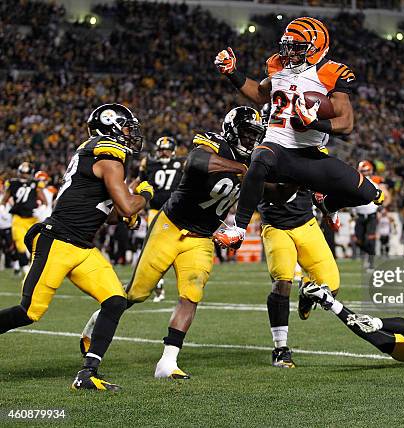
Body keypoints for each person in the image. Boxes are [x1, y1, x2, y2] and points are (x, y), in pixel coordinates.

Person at [81, 107, 264, 379]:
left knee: (191, 295)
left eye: (256, 134)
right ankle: (96, 321)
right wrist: (243, 168)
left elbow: (262, 189)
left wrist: (238, 229)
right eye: (248, 133)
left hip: (202, 236)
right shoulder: (215, 143)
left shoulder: (258, 159)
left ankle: (167, 362)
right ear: (234, 129)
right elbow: (196, 162)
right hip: (171, 225)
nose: (251, 139)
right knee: (136, 293)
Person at [0, 103, 151, 391]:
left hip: (81, 246)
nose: (132, 134)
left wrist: (126, 213)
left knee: (115, 300)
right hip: (57, 241)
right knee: (29, 311)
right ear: (113, 127)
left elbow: (108, 213)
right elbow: (128, 204)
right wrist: (144, 194)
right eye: (128, 128)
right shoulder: (109, 157)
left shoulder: (99, 154)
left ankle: (87, 373)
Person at [213, 17, 383, 249]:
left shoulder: (331, 72)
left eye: (298, 47)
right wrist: (233, 73)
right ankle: (238, 230)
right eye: (288, 45)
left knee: (371, 194)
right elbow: (260, 94)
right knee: (260, 157)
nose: (290, 52)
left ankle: (330, 205)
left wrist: (315, 123)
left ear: (316, 47)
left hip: (310, 154)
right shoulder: (278, 65)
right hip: (278, 148)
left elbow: (346, 123)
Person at [259, 188, 339, 368]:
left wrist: (330, 210)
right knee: (282, 282)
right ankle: (280, 349)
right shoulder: (261, 159)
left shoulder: (308, 159)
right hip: (275, 225)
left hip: (306, 223)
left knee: (331, 288)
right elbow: (249, 186)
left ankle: (306, 292)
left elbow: (320, 185)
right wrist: (240, 225)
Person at [137, 136, 184, 302]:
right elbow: (140, 183)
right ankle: (158, 286)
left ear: (173, 150)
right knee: (153, 249)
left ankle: (184, 287)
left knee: (180, 249)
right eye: (162, 149)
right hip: (155, 211)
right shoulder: (149, 164)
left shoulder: (182, 163)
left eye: (167, 149)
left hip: (177, 212)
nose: (164, 152)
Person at [0, 162, 46, 275]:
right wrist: (3, 210)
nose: (25, 175)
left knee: (34, 245)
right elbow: (4, 200)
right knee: (20, 244)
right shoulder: (12, 183)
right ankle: (25, 269)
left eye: (27, 173)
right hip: (18, 218)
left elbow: (44, 201)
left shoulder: (35, 184)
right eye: (23, 173)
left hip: (32, 219)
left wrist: (40, 211)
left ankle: (31, 267)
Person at [352, 161, 382, 269]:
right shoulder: (354, 183)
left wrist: (380, 209)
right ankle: (370, 254)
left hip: (371, 215)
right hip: (360, 215)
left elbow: (382, 198)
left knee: (370, 239)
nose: (364, 173)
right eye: (363, 171)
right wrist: (353, 212)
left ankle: (371, 262)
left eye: (366, 171)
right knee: (357, 240)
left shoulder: (374, 183)